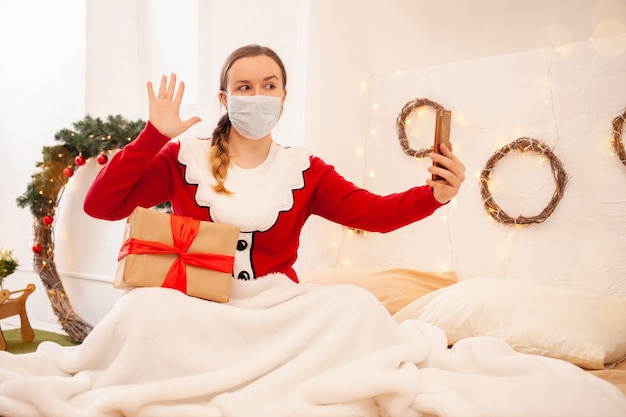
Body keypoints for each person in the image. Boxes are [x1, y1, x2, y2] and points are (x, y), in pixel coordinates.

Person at [83, 44, 466, 283]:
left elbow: (374, 215)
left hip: (274, 307)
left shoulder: (304, 171)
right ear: (224, 99)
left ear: (284, 97)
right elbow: (101, 206)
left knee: (355, 313)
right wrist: (153, 136)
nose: (258, 96)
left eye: (269, 86)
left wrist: (435, 195)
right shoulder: (183, 159)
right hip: (195, 307)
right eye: (244, 87)